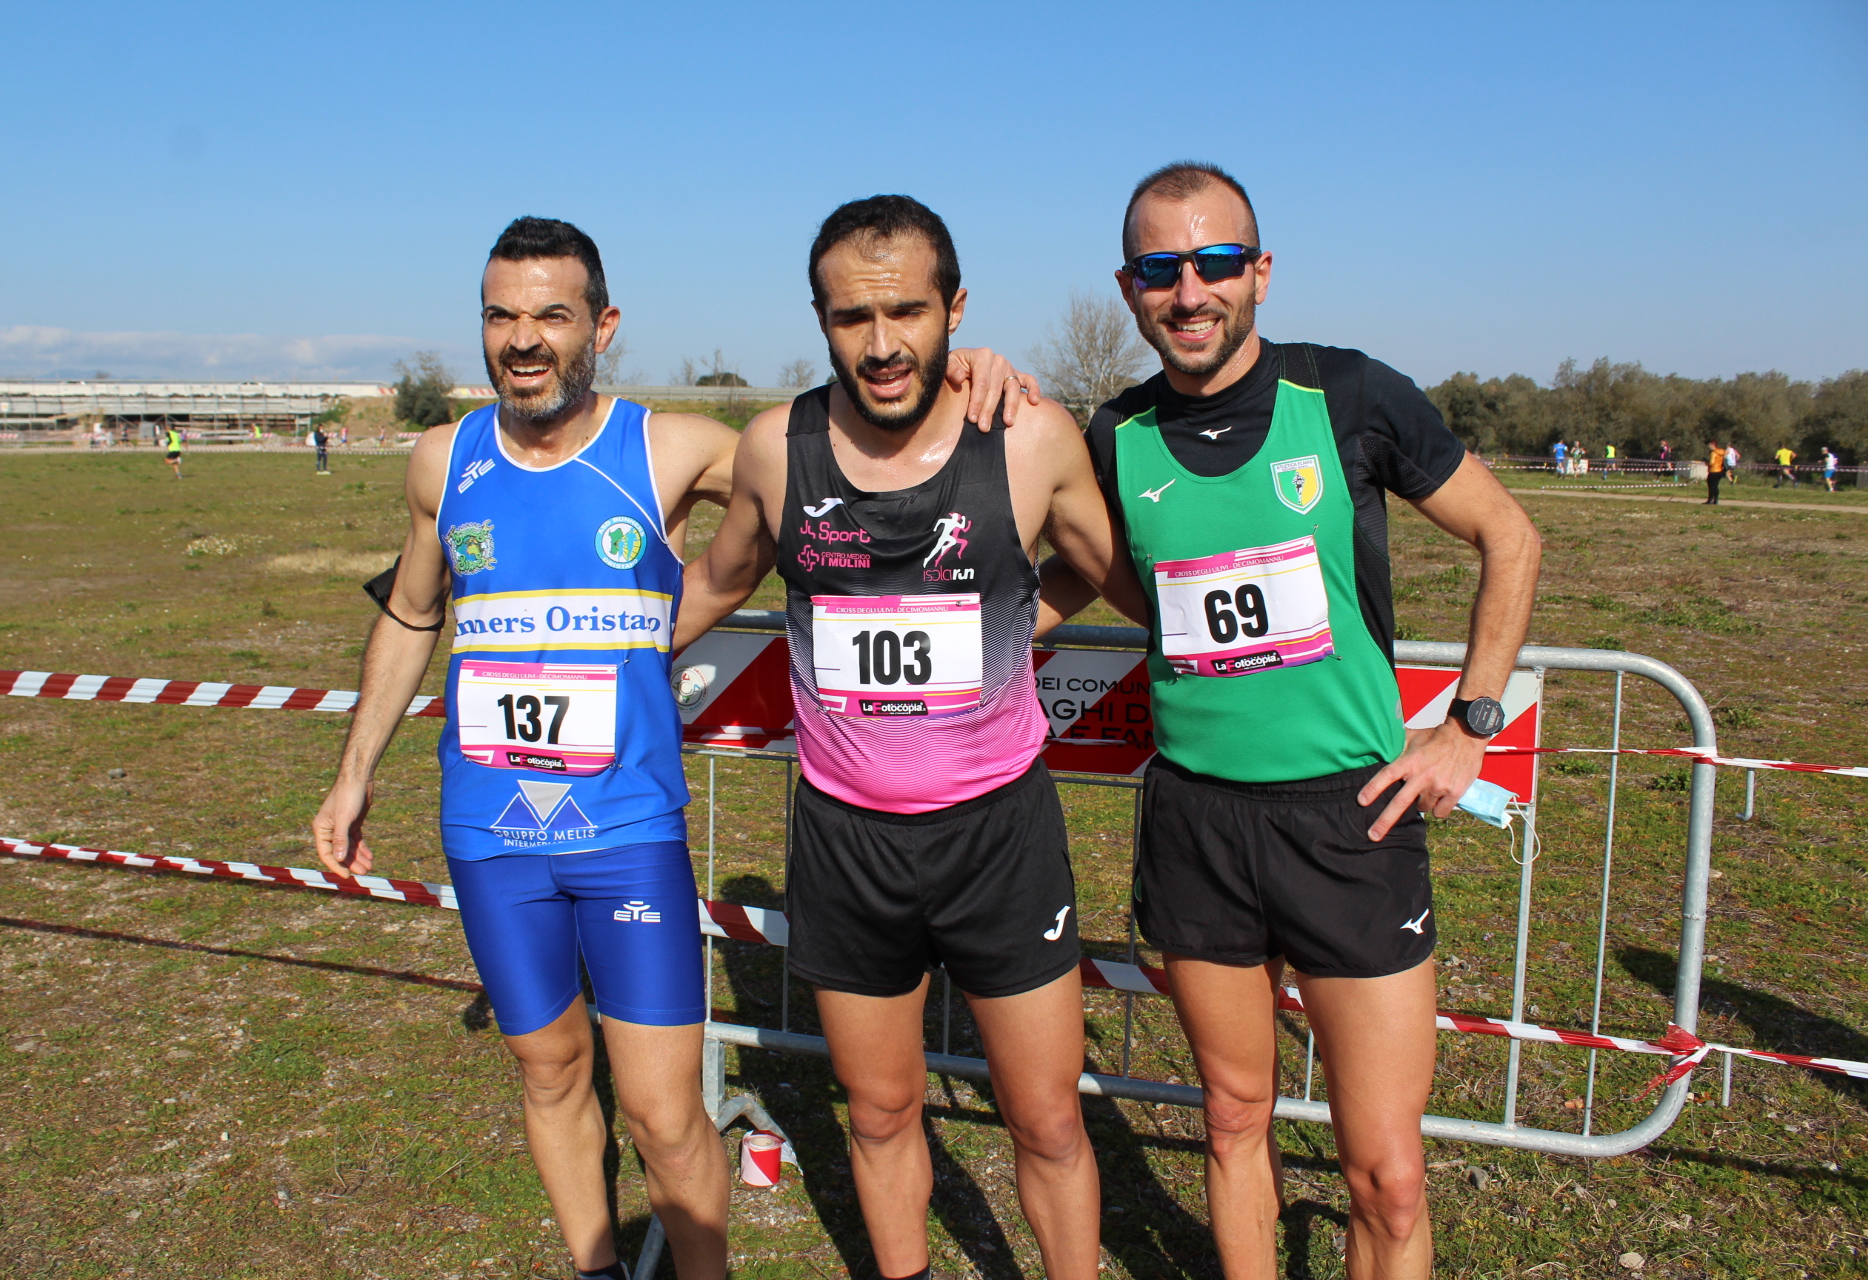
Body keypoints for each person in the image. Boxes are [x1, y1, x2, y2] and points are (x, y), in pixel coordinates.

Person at [310, 215, 1028, 1280]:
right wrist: (353, 774)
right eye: (501, 316)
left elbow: (831, 453)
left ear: (602, 326)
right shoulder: (441, 460)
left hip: (627, 832)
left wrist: (949, 377)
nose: (524, 339)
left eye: (552, 315)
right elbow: (414, 614)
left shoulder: (672, 447)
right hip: (490, 832)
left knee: (661, 1112)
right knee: (549, 1070)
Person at [1049, 162, 1541, 1280]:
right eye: (1161, 269)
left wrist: (1468, 725)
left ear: (1260, 273)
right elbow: (1087, 571)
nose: (1190, 292)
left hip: (1350, 819)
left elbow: (1510, 536)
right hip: (1199, 823)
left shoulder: (1350, 394)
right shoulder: (1115, 432)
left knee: (1388, 1174)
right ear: (1128, 288)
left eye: (1216, 262)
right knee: (1232, 1118)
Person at [675, 195, 1137, 1280]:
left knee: (1047, 1120)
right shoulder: (775, 450)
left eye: (907, 312)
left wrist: (1009, 624)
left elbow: (1117, 574)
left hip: (999, 838)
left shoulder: (1028, 437)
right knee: (880, 1113)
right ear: (821, 320)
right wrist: (597, 656)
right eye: (852, 318)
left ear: (954, 309)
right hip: (848, 844)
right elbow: (718, 579)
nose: (881, 344)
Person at [1706, 439, 1726, 505]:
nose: (1708, 446)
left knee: (1711, 486)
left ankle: (1710, 500)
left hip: (1713, 471)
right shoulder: (1721, 452)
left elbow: (1711, 463)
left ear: (1713, 445)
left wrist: (1707, 463)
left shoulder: (1713, 453)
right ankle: (1716, 500)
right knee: (1716, 486)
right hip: (1719, 471)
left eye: (1709, 445)